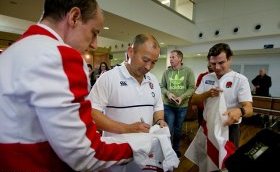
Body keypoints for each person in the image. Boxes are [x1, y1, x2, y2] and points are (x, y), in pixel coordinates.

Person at [0, 0, 134, 171]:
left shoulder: (11, 52)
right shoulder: (61, 56)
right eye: (94, 32)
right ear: (74, 17)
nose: (94, 44)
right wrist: (137, 149)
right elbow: (85, 154)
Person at [88, 34, 168, 171]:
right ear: (130, 52)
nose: (149, 67)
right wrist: (128, 128)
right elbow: (91, 113)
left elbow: (158, 106)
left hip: (145, 151)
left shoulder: (153, 80)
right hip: (116, 154)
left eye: (154, 62)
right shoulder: (108, 78)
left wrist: (159, 119)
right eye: (145, 60)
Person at [191, 43, 253, 147]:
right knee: (206, 160)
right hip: (208, 125)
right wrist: (207, 94)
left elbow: (250, 109)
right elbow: (194, 100)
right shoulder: (206, 78)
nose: (217, 67)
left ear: (229, 59)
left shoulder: (240, 80)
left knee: (227, 161)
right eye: (213, 63)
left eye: (221, 62)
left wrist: (240, 111)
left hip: (229, 128)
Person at [161, 49, 195, 157]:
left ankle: (175, 149)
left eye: (173, 57)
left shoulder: (188, 71)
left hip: (182, 107)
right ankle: (167, 150)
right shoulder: (167, 72)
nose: (170, 59)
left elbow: (191, 88)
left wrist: (182, 97)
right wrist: (168, 94)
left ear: (180, 58)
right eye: (170, 57)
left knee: (178, 129)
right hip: (168, 106)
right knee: (169, 128)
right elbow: (162, 86)